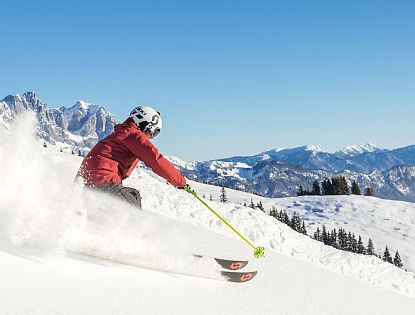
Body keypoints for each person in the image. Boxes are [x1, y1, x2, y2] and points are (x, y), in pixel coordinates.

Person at [77, 105, 187, 208]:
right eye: (154, 132)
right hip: (103, 179)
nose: (152, 137)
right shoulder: (133, 135)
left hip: (88, 180)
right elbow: (155, 160)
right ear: (145, 124)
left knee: (132, 195)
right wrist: (180, 181)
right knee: (131, 201)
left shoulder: (122, 133)